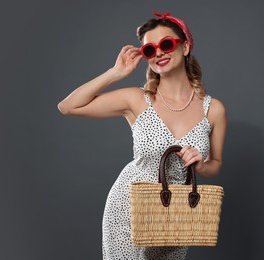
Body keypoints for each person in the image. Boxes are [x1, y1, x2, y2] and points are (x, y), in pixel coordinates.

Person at [58, 11, 227, 260]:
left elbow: (215, 165)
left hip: (173, 215)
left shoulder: (214, 109)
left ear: (186, 47)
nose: (158, 53)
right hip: (129, 208)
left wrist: (200, 163)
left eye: (166, 44)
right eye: (149, 50)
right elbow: (68, 106)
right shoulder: (137, 99)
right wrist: (116, 73)